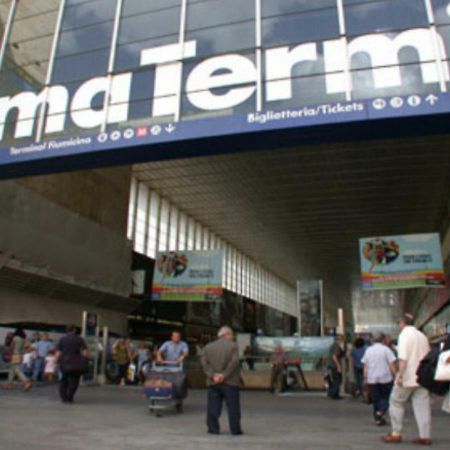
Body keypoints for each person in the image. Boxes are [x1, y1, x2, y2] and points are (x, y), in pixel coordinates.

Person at [382, 314, 431, 445]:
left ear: (402, 323)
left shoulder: (404, 335)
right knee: (422, 406)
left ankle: (396, 433)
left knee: (396, 402)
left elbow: (403, 358)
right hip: (422, 378)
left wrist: (400, 375)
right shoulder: (422, 336)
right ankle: (424, 435)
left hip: (408, 376)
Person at [201, 326, 243, 436]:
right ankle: (235, 430)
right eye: (232, 334)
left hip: (213, 382)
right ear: (227, 334)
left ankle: (213, 428)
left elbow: (204, 363)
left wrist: (213, 375)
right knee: (233, 407)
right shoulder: (233, 346)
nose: (232, 337)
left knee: (213, 407)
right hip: (230, 382)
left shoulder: (208, 347)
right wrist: (223, 375)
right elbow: (234, 362)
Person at [362, 332, 397, 426]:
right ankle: (381, 412)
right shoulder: (386, 350)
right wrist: (396, 375)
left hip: (372, 378)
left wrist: (365, 378)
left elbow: (366, 365)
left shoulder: (368, 350)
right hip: (385, 377)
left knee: (375, 399)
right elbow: (391, 364)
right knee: (387, 397)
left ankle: (377, 418)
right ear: (383, 339)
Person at [55, 325, 88, 404]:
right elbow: (84, 353)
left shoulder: (62, 339)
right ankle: (70, 397)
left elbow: (58, 352)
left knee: (63, 381)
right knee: (74, 381)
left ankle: (64, 398)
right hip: (77, 364)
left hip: (64, 363)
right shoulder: (79, 339)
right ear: (74, 330)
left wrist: (56, 361)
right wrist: (87, 358)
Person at [327, 335, 346, 400]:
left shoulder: (334, 345)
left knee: (336, 380)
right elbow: (334, 357)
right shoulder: (336, 346)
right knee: (337, 380)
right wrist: (338, 366)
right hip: (334, 365)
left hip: (331, 365)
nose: (342, 341)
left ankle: (334, 393)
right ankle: (334, 394)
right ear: (339, 340)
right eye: (342, 340)